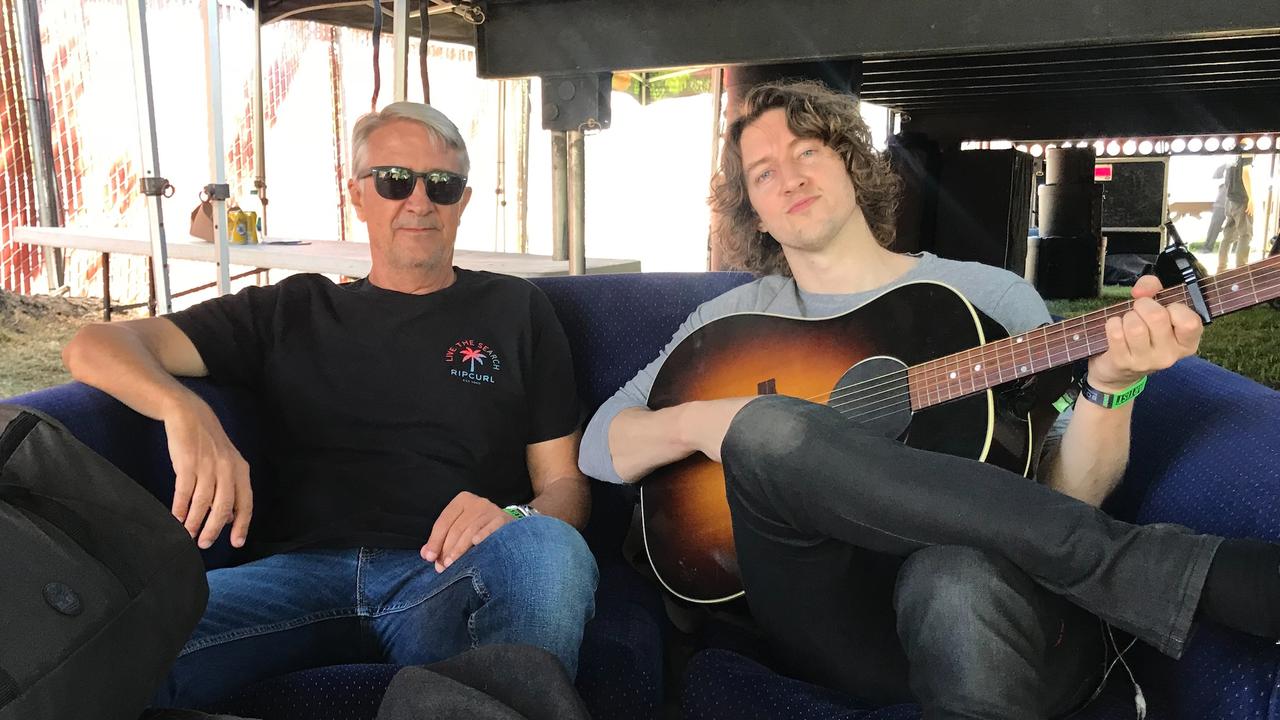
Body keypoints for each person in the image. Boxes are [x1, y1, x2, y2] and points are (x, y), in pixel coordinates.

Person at [579, 81, 1280, 720]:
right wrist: (713, 422)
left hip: (986, 608)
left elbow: (1068, 492)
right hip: (829, 620)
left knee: (956, 575)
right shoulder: (729, 328)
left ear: (852, 162)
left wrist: (1113, 383)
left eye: (808, 151)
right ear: (753, 211)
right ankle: (1185, 575)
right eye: (763, 173)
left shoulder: (990, 298)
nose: (788, 177)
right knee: (765, 432)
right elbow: (600, 444)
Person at [62, 102, 598, 707]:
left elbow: (565, 489)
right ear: (358, 195)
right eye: (396, 181)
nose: (419, 202)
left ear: (464, 202)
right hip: (293, 576)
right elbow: (97, 343)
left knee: (550, 550)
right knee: (92, 651)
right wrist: (185, 411)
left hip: (446, 572)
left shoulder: (517, 310)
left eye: (442, 186)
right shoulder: (290, 310)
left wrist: (515, 519)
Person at [1217, 155, 1255, 272]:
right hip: (1241, 199)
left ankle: (1221, 269)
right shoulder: (1247, 149)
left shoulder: (1232, 149)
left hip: (1230, 199)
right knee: (1245, 235)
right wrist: (1251, 197)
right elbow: (1246, 172)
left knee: (1227, 236)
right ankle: (1241, 269)